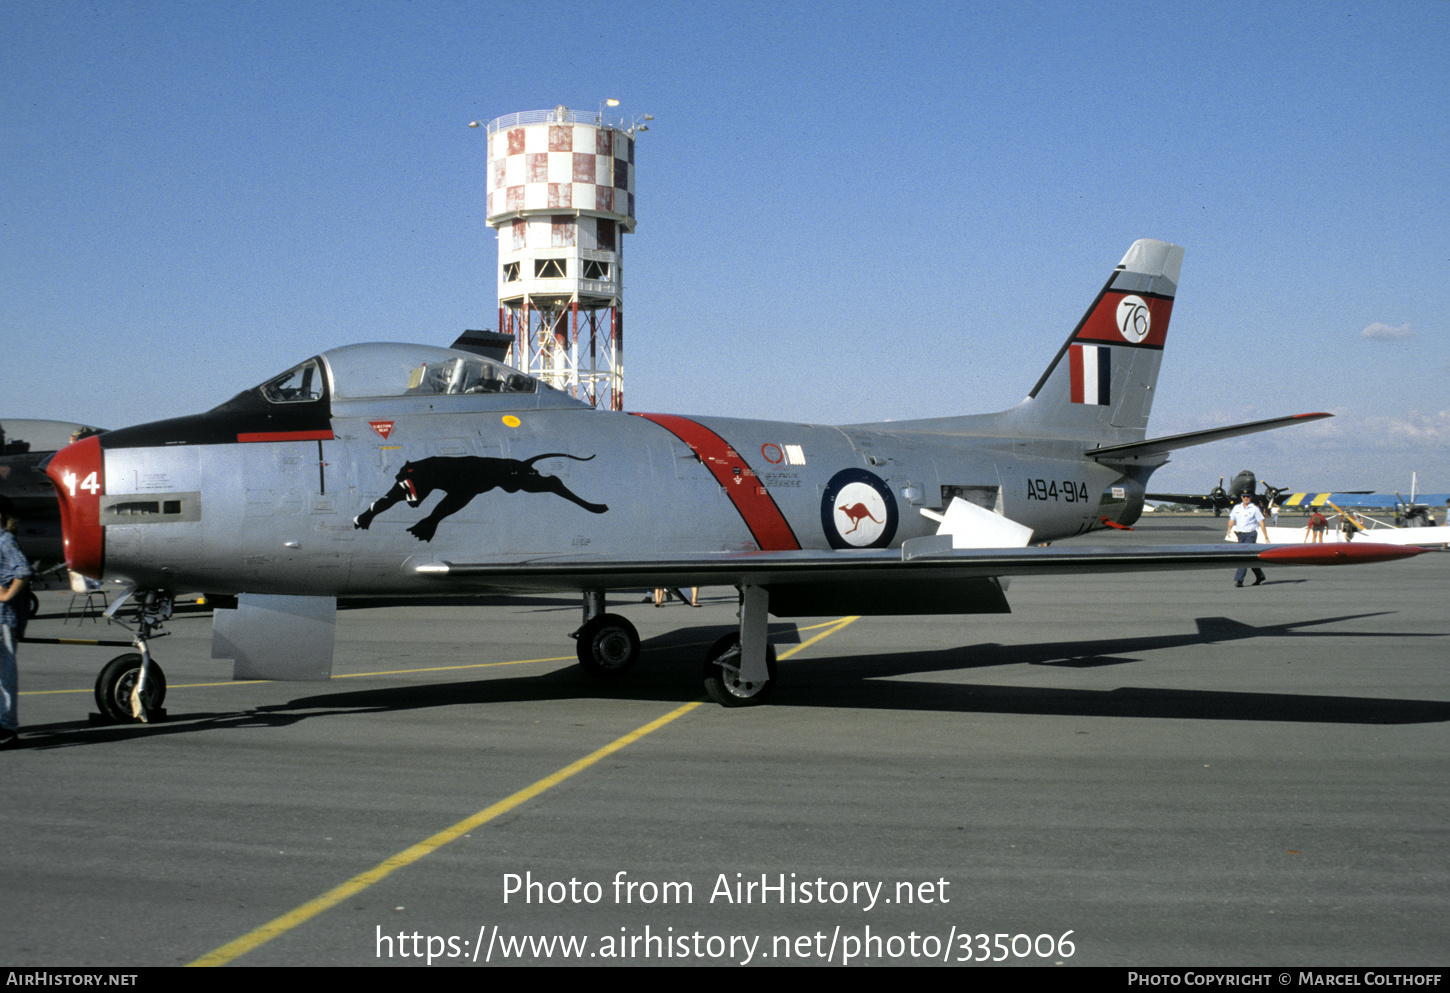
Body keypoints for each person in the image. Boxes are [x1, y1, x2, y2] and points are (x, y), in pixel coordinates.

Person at [0, 510, 33, 748]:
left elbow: (22, 570)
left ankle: (7, 728)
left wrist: (5, 596)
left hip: (3, 618)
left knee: (5, 674)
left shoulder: (4, 540)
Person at [1225, 491, 1268, 587]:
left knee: (1243, 556)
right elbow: (1232, 520)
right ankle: (1260, 576)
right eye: (1244, 496)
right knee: (1249, 557)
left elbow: (1261, 522)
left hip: (1250, 535)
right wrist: (1229, 529)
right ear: (1241, 497)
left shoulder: (1254, 509)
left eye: (1248, 496)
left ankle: (1239, 580)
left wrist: (1266, 537)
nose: (1246, 498)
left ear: (1251, 497)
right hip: (1240, 535)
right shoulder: (1237, 508)